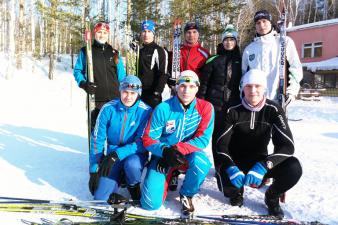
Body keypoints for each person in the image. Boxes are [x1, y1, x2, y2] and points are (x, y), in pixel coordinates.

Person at [215, 69, 302, 218]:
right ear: (242, 88)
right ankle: (237, 192)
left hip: (260, 162)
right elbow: (220, 145)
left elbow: (287, 146)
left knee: (294, 167)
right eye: (248, 86)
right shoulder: (231, 109)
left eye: (258, 86)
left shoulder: (274, 110)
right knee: (230, 192)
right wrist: (230, 167)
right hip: (234, 162)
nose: (253, 91)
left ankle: (271, 196)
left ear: (264, 88)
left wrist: (265, 165)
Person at [140, 70, 214, 216]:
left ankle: (187, 193)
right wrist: (164, 152)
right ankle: (170, 173)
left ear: (197, 88)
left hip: (189, 154)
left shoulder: (206, 108)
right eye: (182, 86)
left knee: (202, 162)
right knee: (150, 204)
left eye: (192, 86)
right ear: (176, 87)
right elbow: (148, 139)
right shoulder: (163, 108)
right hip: (163, 155)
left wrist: (176, 150)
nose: (187, 90)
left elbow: (203, 139)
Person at [88, 75, 152, 203]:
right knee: (100, 199)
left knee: (132, 165)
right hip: (112, 153)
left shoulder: (145, 111)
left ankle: (133, 185)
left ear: (138, 94)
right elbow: (97, 139)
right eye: (125, 92)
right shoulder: (108, 109)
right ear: (120, 91)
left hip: (135, 154)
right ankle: (118, 176)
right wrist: (94, 169)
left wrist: (118, 154)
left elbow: (142, 142)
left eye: (133, 93)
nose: (128, 97)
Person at [197, 24, 242, 186]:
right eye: (226, 40)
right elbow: (204, 85)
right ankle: (219, 167)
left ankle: (232, 165)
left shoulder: (241, 59)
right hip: (215, 106)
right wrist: (201, 104)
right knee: (217, 138)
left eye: (232, 39)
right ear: (222, 42)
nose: (229, 43)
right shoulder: (213, 60)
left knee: (232, 138)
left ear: (236, 41)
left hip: (235, 105)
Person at [242, 10, 303, 106]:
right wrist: (244, 95)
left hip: (278, 100)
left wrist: (291, 92)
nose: (261, 25)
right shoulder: (249, 49)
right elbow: (244, 75)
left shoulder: (284, 42)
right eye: (258, 23)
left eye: (264, 21)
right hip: (256, 102)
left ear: (271, 23)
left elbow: (295, 68)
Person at [73, 21, 126, 130]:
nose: (102, 35)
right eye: (99, 32)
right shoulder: (86, 51)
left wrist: (125, 92)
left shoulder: (114, 52)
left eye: (105, 33)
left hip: (115, 100)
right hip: (96, 99)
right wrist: (83, 83)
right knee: (97, 133)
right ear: (94, 33)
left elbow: (121, 76)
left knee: (114, 132)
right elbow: (77, 70)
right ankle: (97, 148)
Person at [138, 20, 168, 108]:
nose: (146, 34)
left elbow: (163, 73)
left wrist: (157, 93)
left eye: (149, 31)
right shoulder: (139, 51)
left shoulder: (159, 50)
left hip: (152, 95)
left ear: (153, 33)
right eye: (144, 31)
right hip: (138, 93)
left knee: (151, 120)